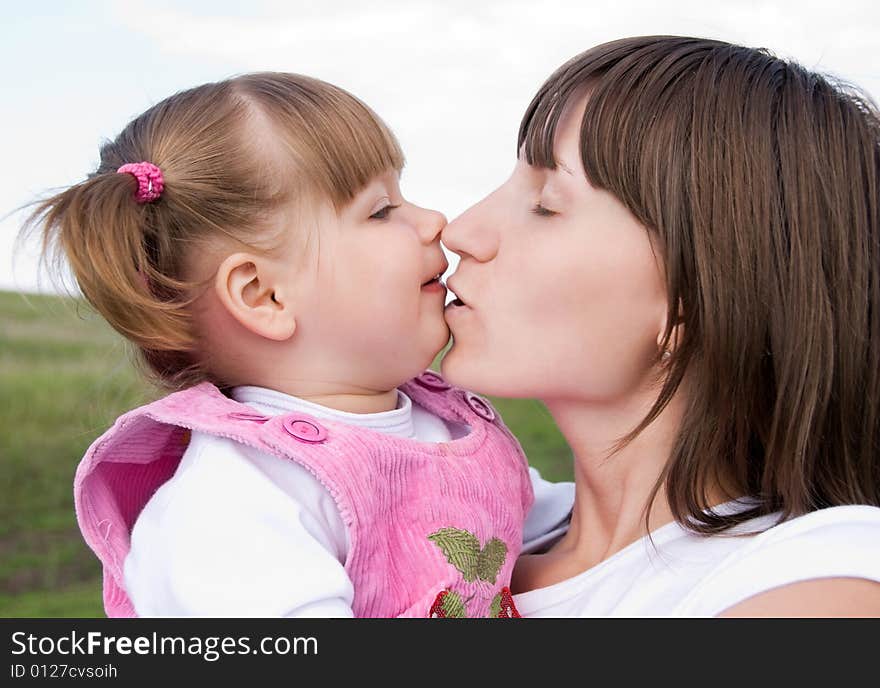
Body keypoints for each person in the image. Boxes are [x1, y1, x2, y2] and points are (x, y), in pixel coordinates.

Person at [24, 73, 573, 618]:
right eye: (381, 210)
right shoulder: (235, 504)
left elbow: (565, 525)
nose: (434, 222)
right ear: (264, 295)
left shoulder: (445, 428)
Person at [440, 36, 880, 617]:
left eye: (546, 204)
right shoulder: (469, 543)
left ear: (691, 301)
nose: (462, 230)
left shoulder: (818, 577)